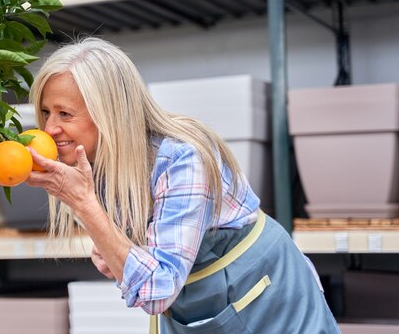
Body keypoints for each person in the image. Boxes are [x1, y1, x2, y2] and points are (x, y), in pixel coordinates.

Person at [25, 37, 340, 334]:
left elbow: (156, 292)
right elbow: (135, 258)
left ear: (110, 113)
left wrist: (85, 205)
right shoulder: (92, 165)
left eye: (65, 114)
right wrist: (116, 248)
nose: (50, 128)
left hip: (266, 297)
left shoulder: (182, 161)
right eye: (45, 113)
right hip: (200, 301)